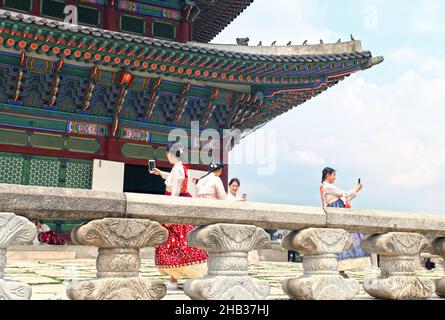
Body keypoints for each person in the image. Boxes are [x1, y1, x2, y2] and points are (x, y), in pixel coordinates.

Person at [150, 143, 208, 290]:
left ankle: (181, 279)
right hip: (178, 205)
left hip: (174, 207)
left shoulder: (178, 169)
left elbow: (175, 189)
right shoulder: (180, 167)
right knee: (177, 243)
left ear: (171, 153)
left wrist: (171, 214)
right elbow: (175, 179)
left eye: (167, 154)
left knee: (177, 244)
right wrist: (161, 173)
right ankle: (175, 280)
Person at [321, 167, 369, 276]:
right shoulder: (327, 186)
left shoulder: (327, 187)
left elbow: (344, 198)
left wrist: (355, 191)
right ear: (328, 175)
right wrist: (356, 189)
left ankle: (341, 269)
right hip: (337, 212)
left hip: (338, 209)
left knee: (344, 239)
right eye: (333, 175)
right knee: (345, 238)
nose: (335, 177)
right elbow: (345, 194)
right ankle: (340, 269)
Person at [225, 177, 259, 265]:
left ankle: (251, 259)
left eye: (236, 186)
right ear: (229, 186)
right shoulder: (226, 197)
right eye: (233, 186)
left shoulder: (239, 197)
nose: (235, 188)